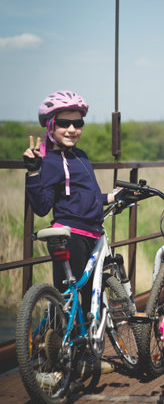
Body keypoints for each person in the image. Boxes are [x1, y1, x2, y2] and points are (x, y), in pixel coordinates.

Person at [23, 90, 116, 375]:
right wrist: (34, 172)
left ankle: (85, 358)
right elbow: (41, 206)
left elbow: (87, 197)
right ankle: (59, 363)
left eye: (78, 124)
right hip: (69, 234)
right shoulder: (48, 159)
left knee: (87, 300)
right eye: (64, 123)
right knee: (68, 298)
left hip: (91, 233)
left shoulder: (81, 157)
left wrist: (112, 197)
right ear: (50, 125)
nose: (72, 129)